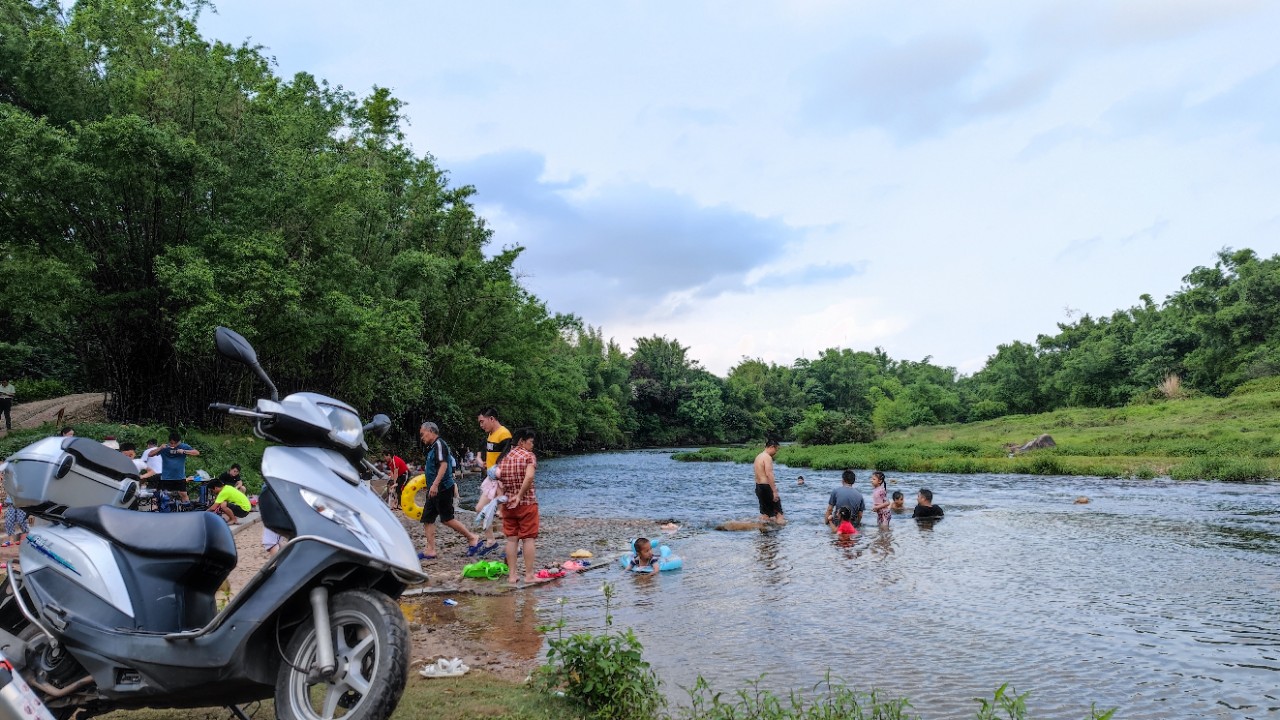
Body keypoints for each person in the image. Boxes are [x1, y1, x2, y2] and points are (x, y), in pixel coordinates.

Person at [417, 422, 483, 560]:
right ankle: (430, 550)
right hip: (433, 490)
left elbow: (443, 465)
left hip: (442, 488)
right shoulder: (433, 447)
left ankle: (472, 538)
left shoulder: (440, 444)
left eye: (423, 434)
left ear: (430, 431)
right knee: (427, 518)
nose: (422, 437)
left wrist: (435, 485)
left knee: (447, 519)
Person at [497, 427, 540, 585]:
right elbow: (529, 477)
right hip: (526, 503)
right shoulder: (528, 456)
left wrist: (502, 504)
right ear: (522, 441)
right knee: (528, 539)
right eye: (530, 442)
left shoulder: (504, 458)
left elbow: (498, 483)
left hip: (508, 504)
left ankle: (512, 576)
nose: (532, 445)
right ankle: (529, 575)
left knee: (511, 539)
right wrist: (519, 496)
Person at [476, 407, 512, 548]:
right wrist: (485, 463)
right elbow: (492, 453)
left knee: (505, 515)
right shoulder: (490, 434)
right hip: (490, 479)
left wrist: (496, 469)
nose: (481, 425)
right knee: (480, 508)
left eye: (482, 421)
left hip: (501, 479)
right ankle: (491, 541)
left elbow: (506, 456)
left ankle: (516, 545)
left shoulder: (504, 434)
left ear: (492, 419)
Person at [146, 432, 199, 503]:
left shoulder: (183, 446)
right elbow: (150, 454)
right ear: (169, 441)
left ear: (179, 441)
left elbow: (196, 452)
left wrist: (184, 451)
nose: (173, 445)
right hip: (166, 477)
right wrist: (160, 448)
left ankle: (187, 510)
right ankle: (165, 511)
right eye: (171, 443)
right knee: (165, 495)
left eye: (175, 443)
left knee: (183, 494)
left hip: (179, 476)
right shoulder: (164, 447)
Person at [753, 439, 785, 525]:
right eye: (776, 449)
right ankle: (782, 534)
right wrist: (774, 492)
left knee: (765, 514)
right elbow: (769, 474)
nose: (776, 452)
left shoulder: (758, 457)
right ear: (771, 447)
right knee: (779, 513)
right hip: (767, 487)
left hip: (758, 487)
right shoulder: (767, 457)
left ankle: (764, 535)